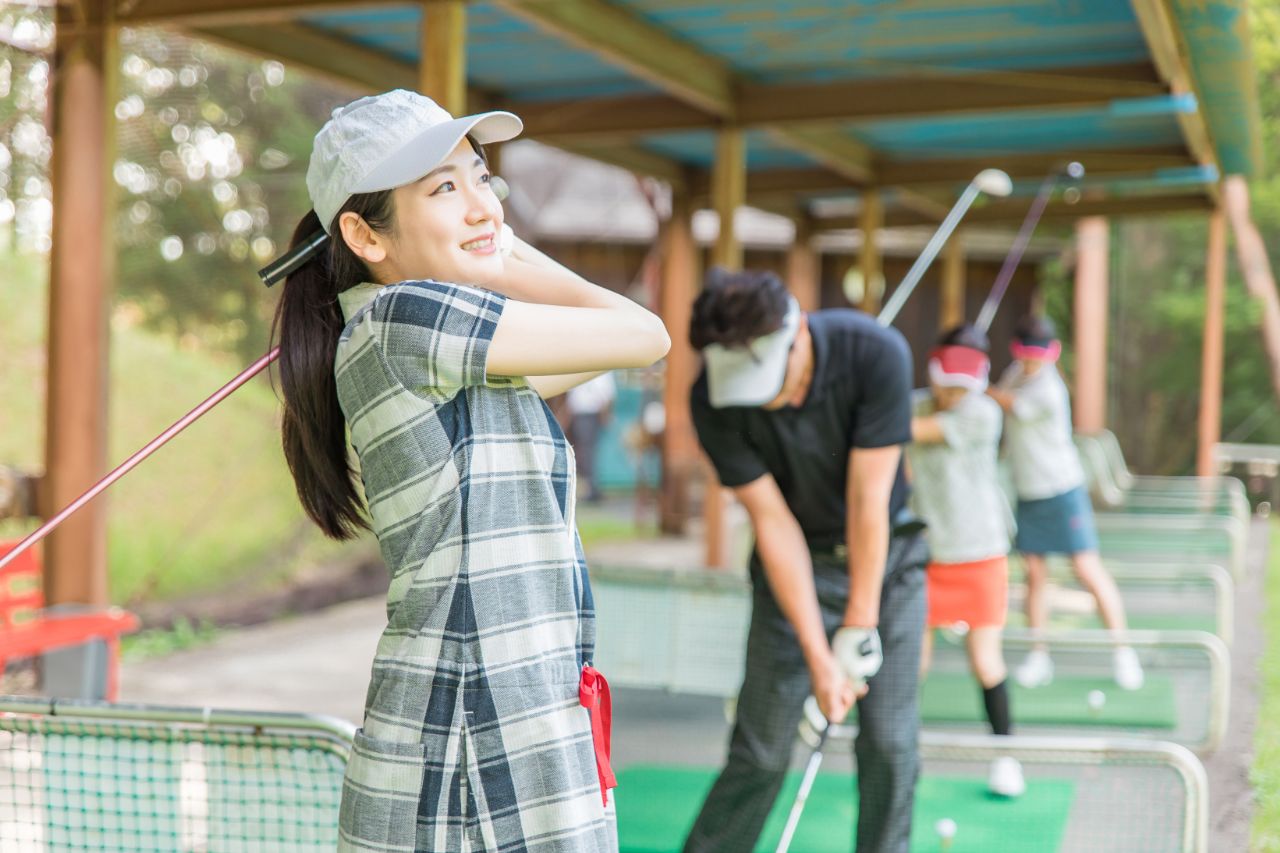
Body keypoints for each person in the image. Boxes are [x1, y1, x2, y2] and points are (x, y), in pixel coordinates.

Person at [272, 90, 671, 852]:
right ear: (363, 234)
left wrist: (482, 236)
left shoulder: (450, 346)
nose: (482, 204)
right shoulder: (404, 320)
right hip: (466, 728)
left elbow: (622, 341)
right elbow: (643, 333)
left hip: (511, 711)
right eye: (443, 187)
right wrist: (508, 250)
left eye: (481, 178)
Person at [683, 268, 927, 853]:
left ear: (797, 331)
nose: (771, 403)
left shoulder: (874, 354)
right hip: (792, 565)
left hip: (887, 562)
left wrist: (859, 628)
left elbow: (870, 505)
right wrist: (821, 657)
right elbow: (774, 523)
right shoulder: (710, 402)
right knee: (761, 749)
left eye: (776, 383)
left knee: (889, 742)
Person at [988, 315, 1143, 691]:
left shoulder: (1049, 390)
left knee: (1086, 568)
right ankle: (1038, 655)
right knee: (1035, 575)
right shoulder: (1015, 372)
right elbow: (1002, 395)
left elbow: (1008, 403)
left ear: (1051, 354)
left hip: (1062, 490)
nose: (1030, 363)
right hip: (1029, 492)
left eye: (1036, 356)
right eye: (1025, 355)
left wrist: (976, 383)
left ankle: (1123, 653)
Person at [908, 324, 1023, 798]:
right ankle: (899, 755)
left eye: (964, 385)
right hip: (925, 552)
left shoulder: (983, 413)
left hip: (979, 551)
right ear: (933, 371)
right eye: (948, 383)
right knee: (911, 663)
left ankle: (1006, 759)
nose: (955, 393)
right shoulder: (914, 402)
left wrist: (866, 404)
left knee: (985, 661)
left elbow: (912, 432)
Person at [566, 372, 617, 501]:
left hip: (589, 414)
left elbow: (606, 395)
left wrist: (606, 414)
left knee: (587, 451)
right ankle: (589, 487)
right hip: (580, 414)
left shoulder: (601, 371)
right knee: (584, 451)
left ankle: (591, 488)